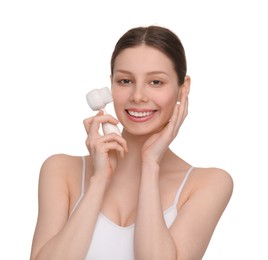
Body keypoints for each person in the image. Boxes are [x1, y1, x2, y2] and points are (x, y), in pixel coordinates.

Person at [30, 25, 233, 260]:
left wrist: (150, 163)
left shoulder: (209, 184)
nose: (138, 96)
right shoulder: (60, 170)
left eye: (156, 82)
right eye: (125, 81)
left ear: (183, 88)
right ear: (111, 84)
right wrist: (99, 181)